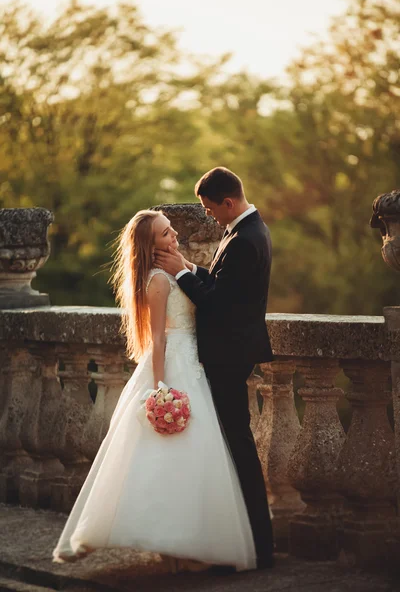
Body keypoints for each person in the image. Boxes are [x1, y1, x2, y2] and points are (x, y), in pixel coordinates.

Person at [52, 209, 257, 572]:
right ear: (150, 243)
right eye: (165, 233)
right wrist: (161, 388)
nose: (173, 235)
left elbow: (208, 290)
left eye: (170, 229)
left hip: (193, 365)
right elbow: (158, 338)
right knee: (167, 453)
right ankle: (172, 549)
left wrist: (186, 266)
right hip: (173, 366)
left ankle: (188, 545)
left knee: (196, 455)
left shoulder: (176, 270)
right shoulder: (158, 280)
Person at [154, 166, 274, 570]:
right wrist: (190, 266)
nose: (208, 216)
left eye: (209, 209)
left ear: (228, 202)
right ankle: (245, 541)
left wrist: (181, 273)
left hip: (227, 355)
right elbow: (225, 285)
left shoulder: (244, 238)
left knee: (237, 447)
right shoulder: (246, 229)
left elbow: (219, 303)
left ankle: (256, 546)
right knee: (232, 445)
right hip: (231, 352)